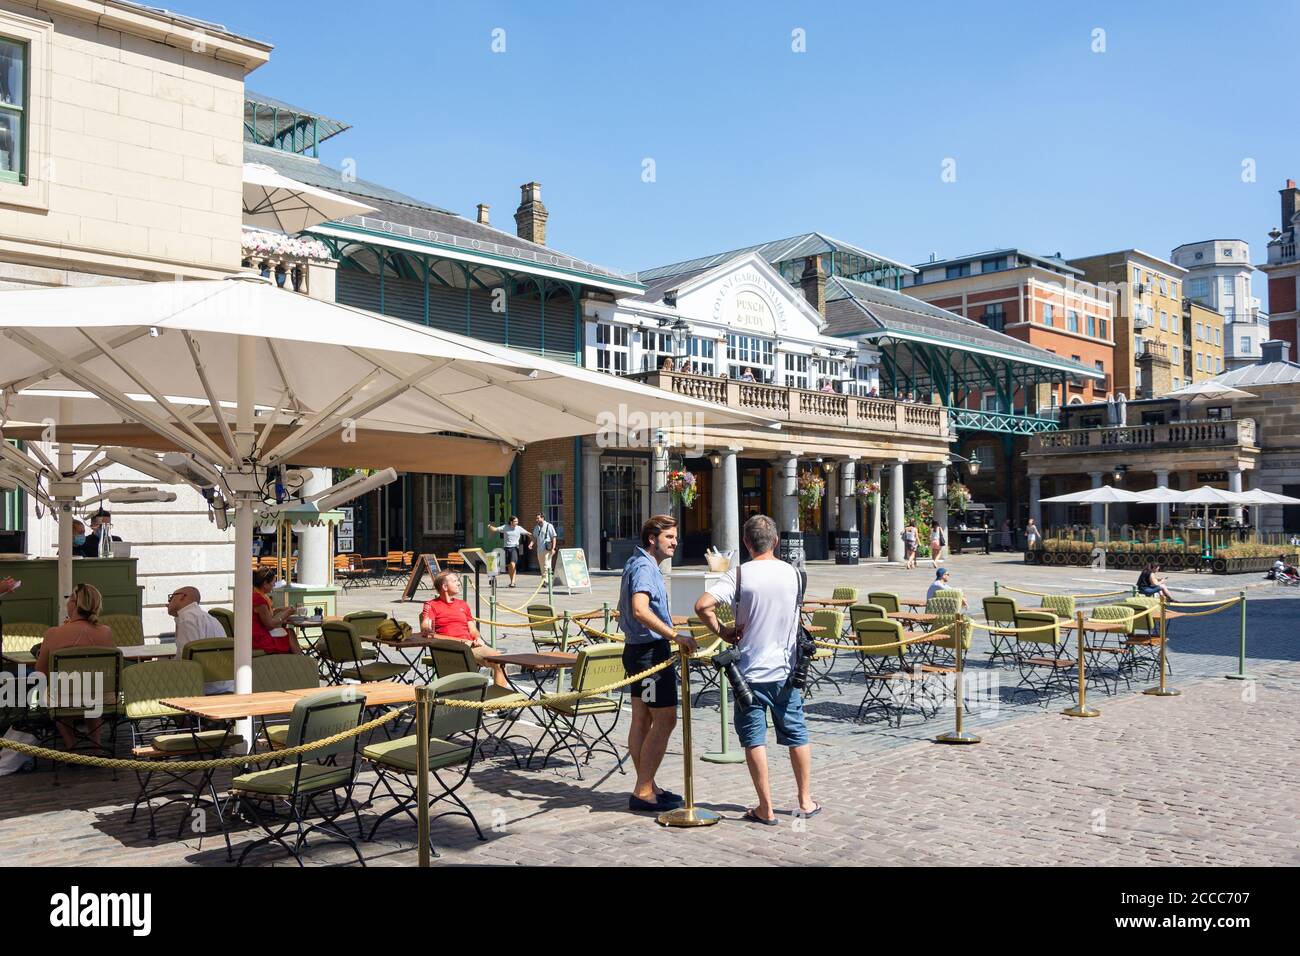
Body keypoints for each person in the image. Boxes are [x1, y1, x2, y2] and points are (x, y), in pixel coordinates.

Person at [695, 514, 819, 825]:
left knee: (754, 738)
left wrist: (722, 631)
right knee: (797, 734)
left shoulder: (740, 574)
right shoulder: (795, 574)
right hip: (787, 670)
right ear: (776, 542)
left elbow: (702, 605)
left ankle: (766, 806)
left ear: (747, 543)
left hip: (748, 673)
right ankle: (805, 799)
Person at [618, 514, 696, 813]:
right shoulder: (644, 567)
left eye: (676, 537)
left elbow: (625, 609)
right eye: (670, 537)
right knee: (664, 720)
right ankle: (643, 790)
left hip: (638, 650)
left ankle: (647, 784)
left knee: (642, 719)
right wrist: (674, 634)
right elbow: (639, 609)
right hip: (649, 653)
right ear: (653, 539)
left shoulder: (638, 563)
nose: (675, 542)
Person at [35, 584, 116, 750]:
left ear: (73, 604)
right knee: (92, 688)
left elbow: (40, 672)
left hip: (64, 698)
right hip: (103, 697)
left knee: (61, 689)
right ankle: (96, 744)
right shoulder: (106, 632)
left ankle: (71, 747)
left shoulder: (54, 633)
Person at [421, 570, 508, 687]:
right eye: (455, 581)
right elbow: (427, 631)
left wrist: (477, 637)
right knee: (498, 661)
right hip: (449, 648)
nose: (458, 583)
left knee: (500, 661)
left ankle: (499, 701)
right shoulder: (431, 604)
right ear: (445, 586)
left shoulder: (463, 604)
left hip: (470, 646)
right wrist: (426, 625)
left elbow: (472, 629)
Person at [167, 586, 231, 692]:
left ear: (183, 597)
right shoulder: (207, 617)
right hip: (222, 682)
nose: (168, 602)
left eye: (171, 598)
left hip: (203, 686)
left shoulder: (187, 619)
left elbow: (186, 660)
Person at [251, 567, 303, 655]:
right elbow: (270, 625)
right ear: (265, 584)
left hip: (252, 634)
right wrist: (287, 613)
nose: (274, 585)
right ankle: (300, 661)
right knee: (290, 633)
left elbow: (263, 615)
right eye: (273, 582)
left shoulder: (255, 594)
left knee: (289, 632)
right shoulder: (259, 599)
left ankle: (298, 660)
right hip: (257, 639)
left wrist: (280, 610)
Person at [487, 516, 528, 588]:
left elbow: (527, 533)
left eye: (517, 521)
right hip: (506, 548)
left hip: (515, 548)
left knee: (513, 564)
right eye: (515, 521)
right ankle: (512, 581)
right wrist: (490, 526)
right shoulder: (505, 527)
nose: (517, 523)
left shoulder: (519, 528)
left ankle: (513, 582)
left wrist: (533, 537)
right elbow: (495, 529)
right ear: (511, 522)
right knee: (509, 566)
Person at [530, 512, 557, 577]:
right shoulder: (536, 527)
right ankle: (544, 580)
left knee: (546, 565)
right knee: (541, 565)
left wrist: (553, 548)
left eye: (538, 518)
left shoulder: (549, 525)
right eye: (536, 518)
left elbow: (554, 537)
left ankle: (547, 580)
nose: (537, 520)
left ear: (542, 518)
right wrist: (531, 544)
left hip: (547, 549)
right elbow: (534, 538)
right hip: (539, 549)